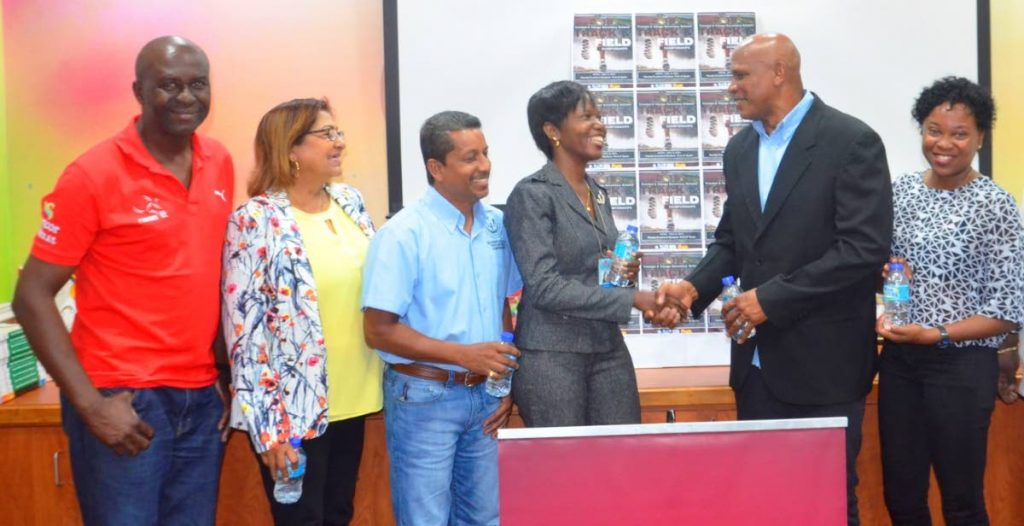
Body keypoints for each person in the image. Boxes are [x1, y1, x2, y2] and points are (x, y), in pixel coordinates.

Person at [657, 34, 892, 525]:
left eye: (741, 75)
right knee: (763, 501)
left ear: (780, 72)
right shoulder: (740, 149)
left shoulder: (852, 141)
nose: (732, 88)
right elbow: (732, 241)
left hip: (825, 366)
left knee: (824, 500)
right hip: (756, 368)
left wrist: (772, 298)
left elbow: (862, 249)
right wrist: (693, 288)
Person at [11, 36, 233, 525]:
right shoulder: (91, 174)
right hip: (124, 401)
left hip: (199, 400)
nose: (186, 97)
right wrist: (90, 406)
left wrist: (222, 371)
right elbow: (30, 296)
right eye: (168, 86)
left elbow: (209, 275)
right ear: (139, 90)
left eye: (198, 84)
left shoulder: (219, 162)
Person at [222, 98, 380, 525]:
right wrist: (269, 432)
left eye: (338, 132)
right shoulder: (254, 219)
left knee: (339, 514)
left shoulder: (350, 202)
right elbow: (245, 334)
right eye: (326, 134)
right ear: (290, 148)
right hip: (293, 412)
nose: (339, 143)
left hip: (354, 397)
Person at [875, 76, 1024, 525]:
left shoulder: (995, 205)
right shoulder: (901, 191)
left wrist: (936, 333)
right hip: (900, 362)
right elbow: (885, 268)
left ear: (980, 136)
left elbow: (1006, 310)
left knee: (961, 503)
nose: (945, 144)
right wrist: (882, 277)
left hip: (961, 366)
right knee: (901, 499)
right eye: (934, 130)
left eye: (960, 133)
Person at [362, 111, 520, 526]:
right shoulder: (403, 233)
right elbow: (378, 330)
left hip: (485, 398)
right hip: (424, 398)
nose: (484, 165)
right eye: (470, 157)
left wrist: (503, 379)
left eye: (485, 153)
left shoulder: (498, 225)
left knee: (485, 519)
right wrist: (464, 355)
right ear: (436, 168)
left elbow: (504, 301)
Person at [504, 80, 681, 428]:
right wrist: (633, 298)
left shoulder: (598, 193)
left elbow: (593, 275)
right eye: (587, 116)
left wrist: (622, 275)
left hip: (606, 346)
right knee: (565, 470)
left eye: (599, 116)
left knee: (620, 462)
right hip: (552, 356)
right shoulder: (532, 194)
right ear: (553, 130)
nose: (600, 125)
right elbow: (544, 286)